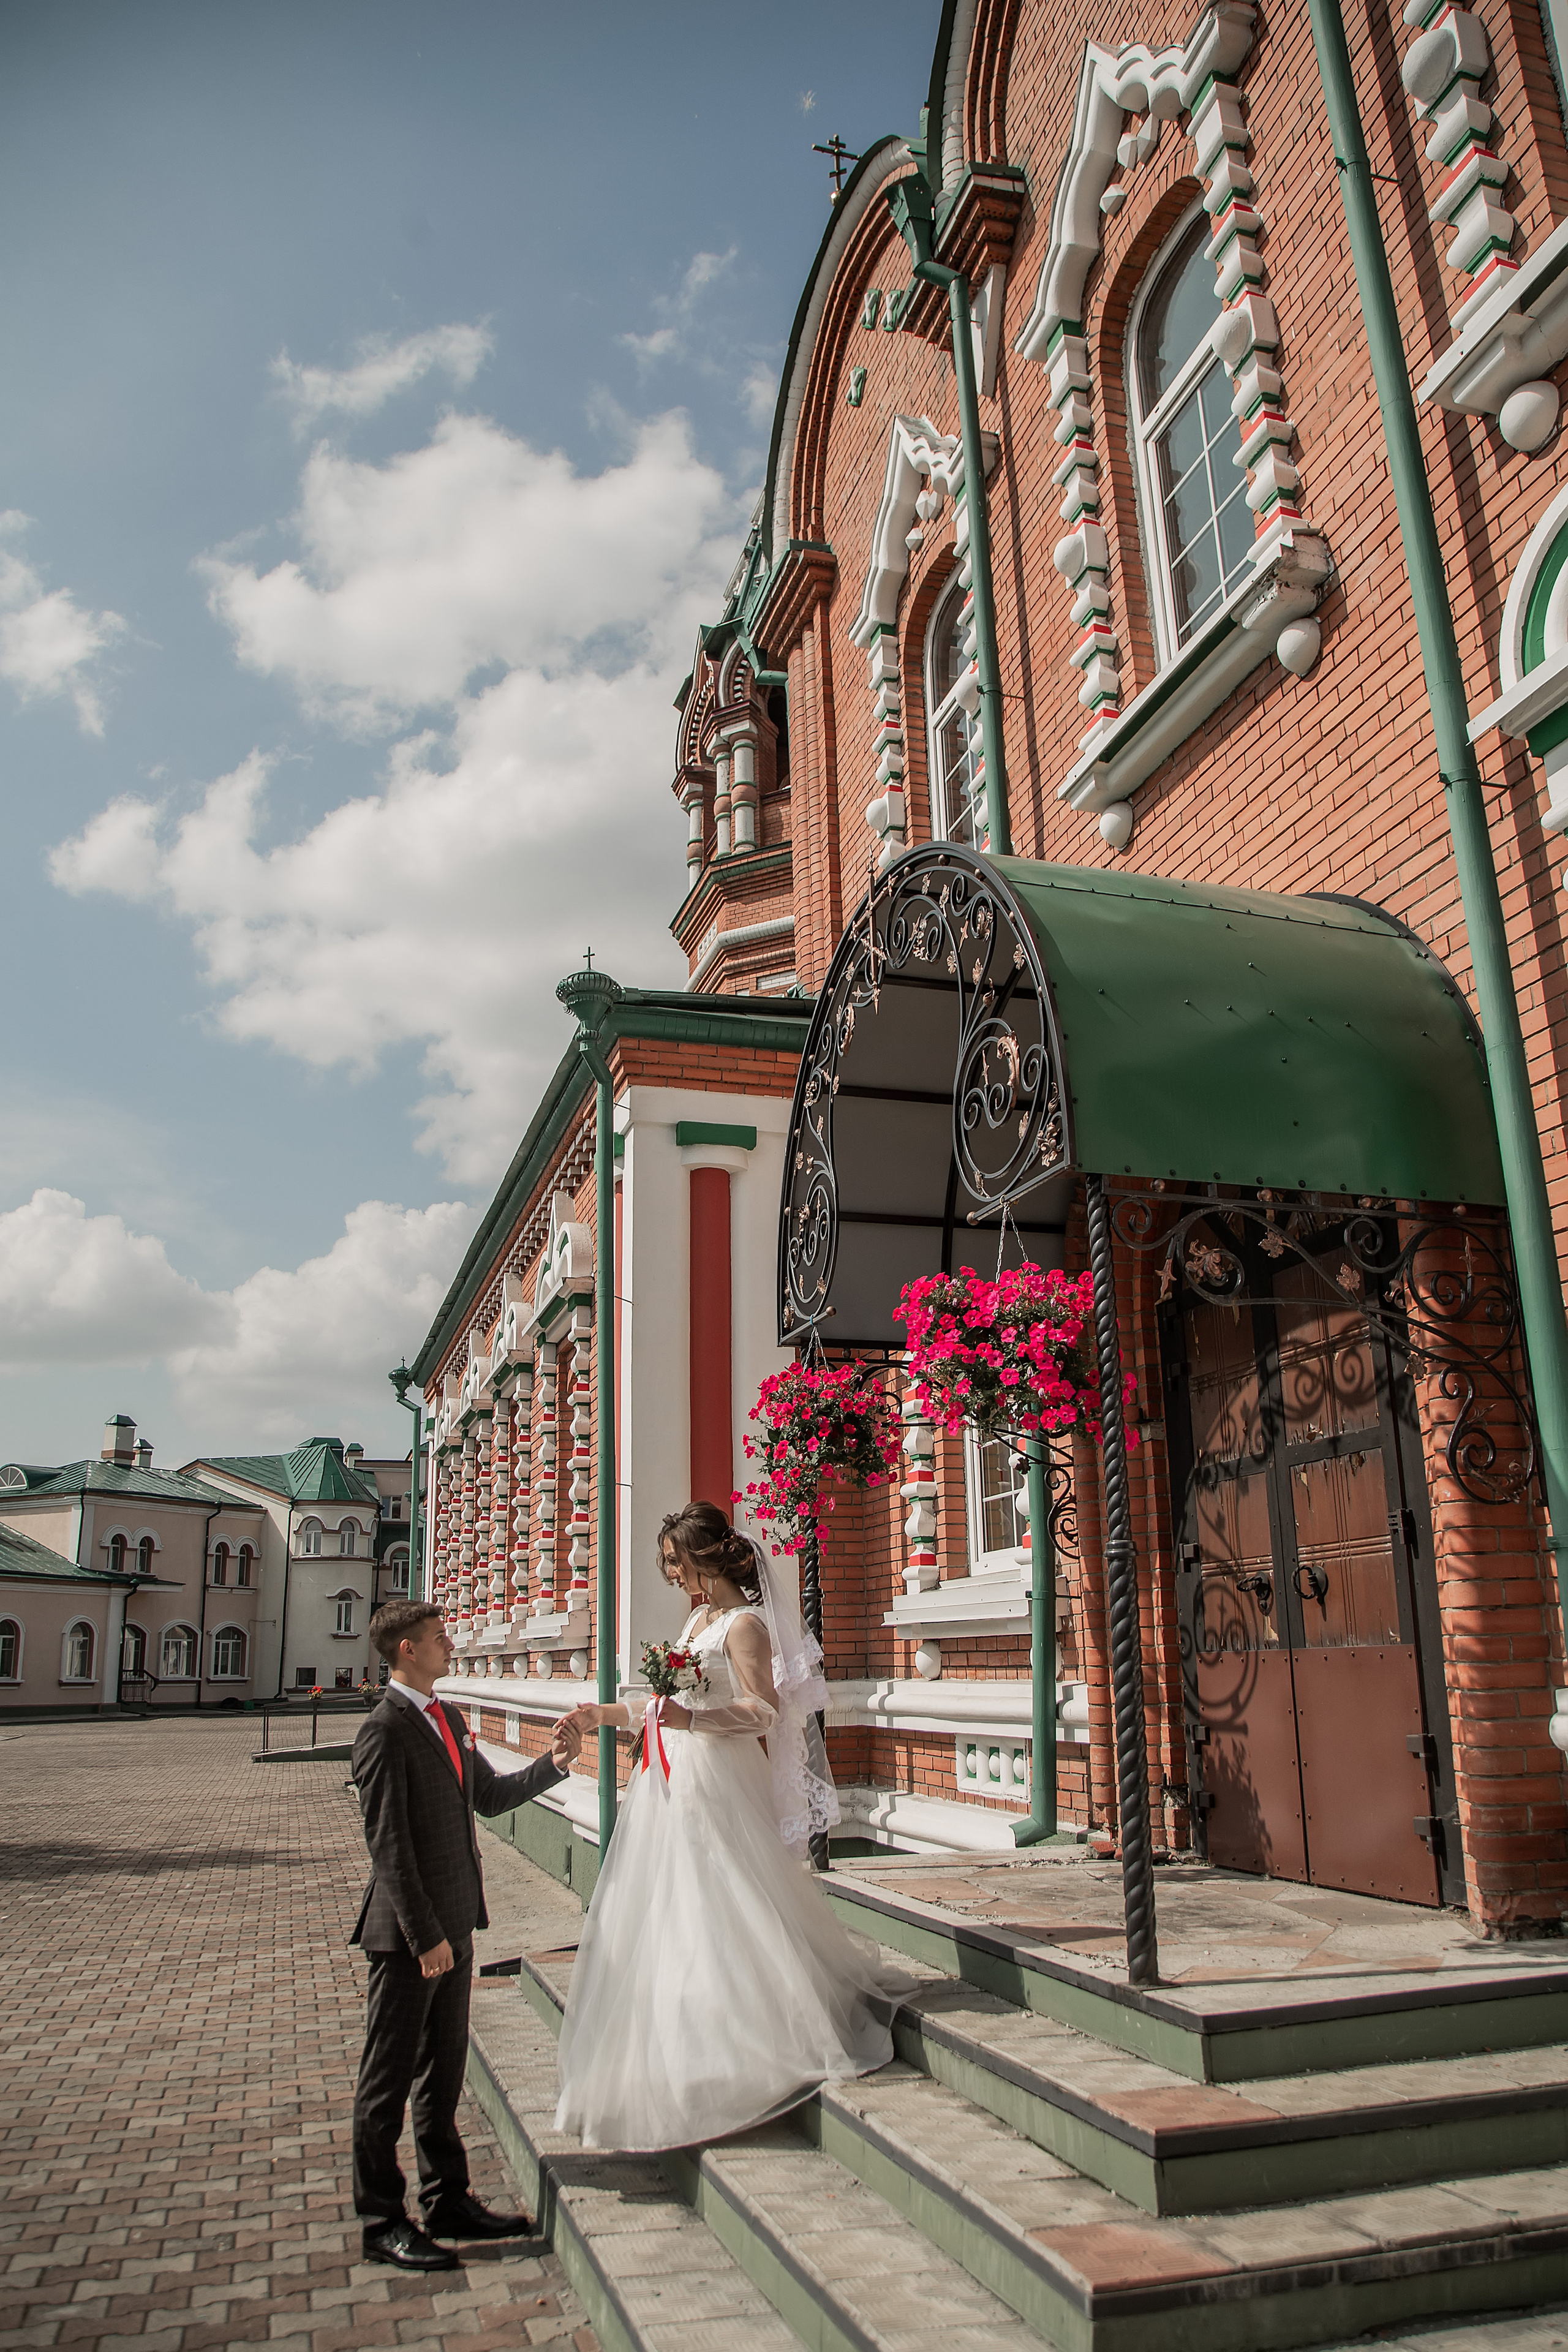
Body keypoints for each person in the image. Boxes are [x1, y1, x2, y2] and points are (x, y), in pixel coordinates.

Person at [550, 1501, 900, 2151]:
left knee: (721, 1893)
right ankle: (680, 2031)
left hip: (717, 1775)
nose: (672, 1574)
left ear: (706, 1558)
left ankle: (744, 2037)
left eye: (676, 1561)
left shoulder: (743, 1626)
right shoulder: (696, 1620)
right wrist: (597, 1717)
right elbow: (666, 1706)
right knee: (673, 1903)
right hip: (672, 1776)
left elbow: (762, 1713)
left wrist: (692, 1725)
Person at [350, 1598, 582, 2272]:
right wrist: (424, 1937)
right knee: (386, 2079)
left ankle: (447, 2199)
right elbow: (389, 1845)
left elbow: (487, 1797)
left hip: (454, 1924)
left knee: (442, 2071)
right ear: (406, 1653)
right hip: (409, 1938)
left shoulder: (447, 1717)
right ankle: (382, 2220)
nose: (450, 1645)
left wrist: (556, 1764)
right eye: (438, 1639)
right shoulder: (384, 1730)